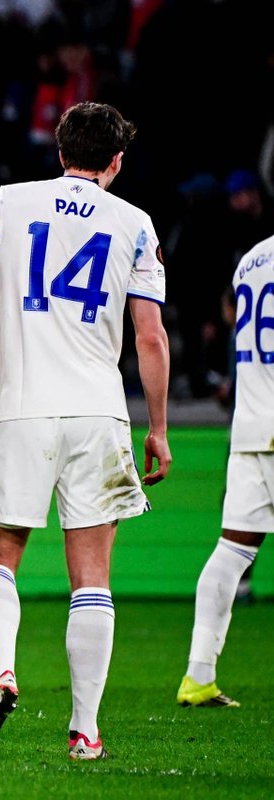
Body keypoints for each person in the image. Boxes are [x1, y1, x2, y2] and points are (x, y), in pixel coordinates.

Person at [0, 102, 171, 761]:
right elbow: (150, 336)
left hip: (23, 407)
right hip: (100, 412)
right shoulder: (134, 223)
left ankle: (2, 674)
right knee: (92, 576)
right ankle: (85, 730)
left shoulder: (8, 203)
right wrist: (155, 426)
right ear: (117, 161)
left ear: (59, 148)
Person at [176, 231, 274, 708]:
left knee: (232, 553)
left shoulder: (250, 260)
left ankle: (198, 676)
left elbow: (234, 319)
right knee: (234, 555)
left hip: (252, 427)